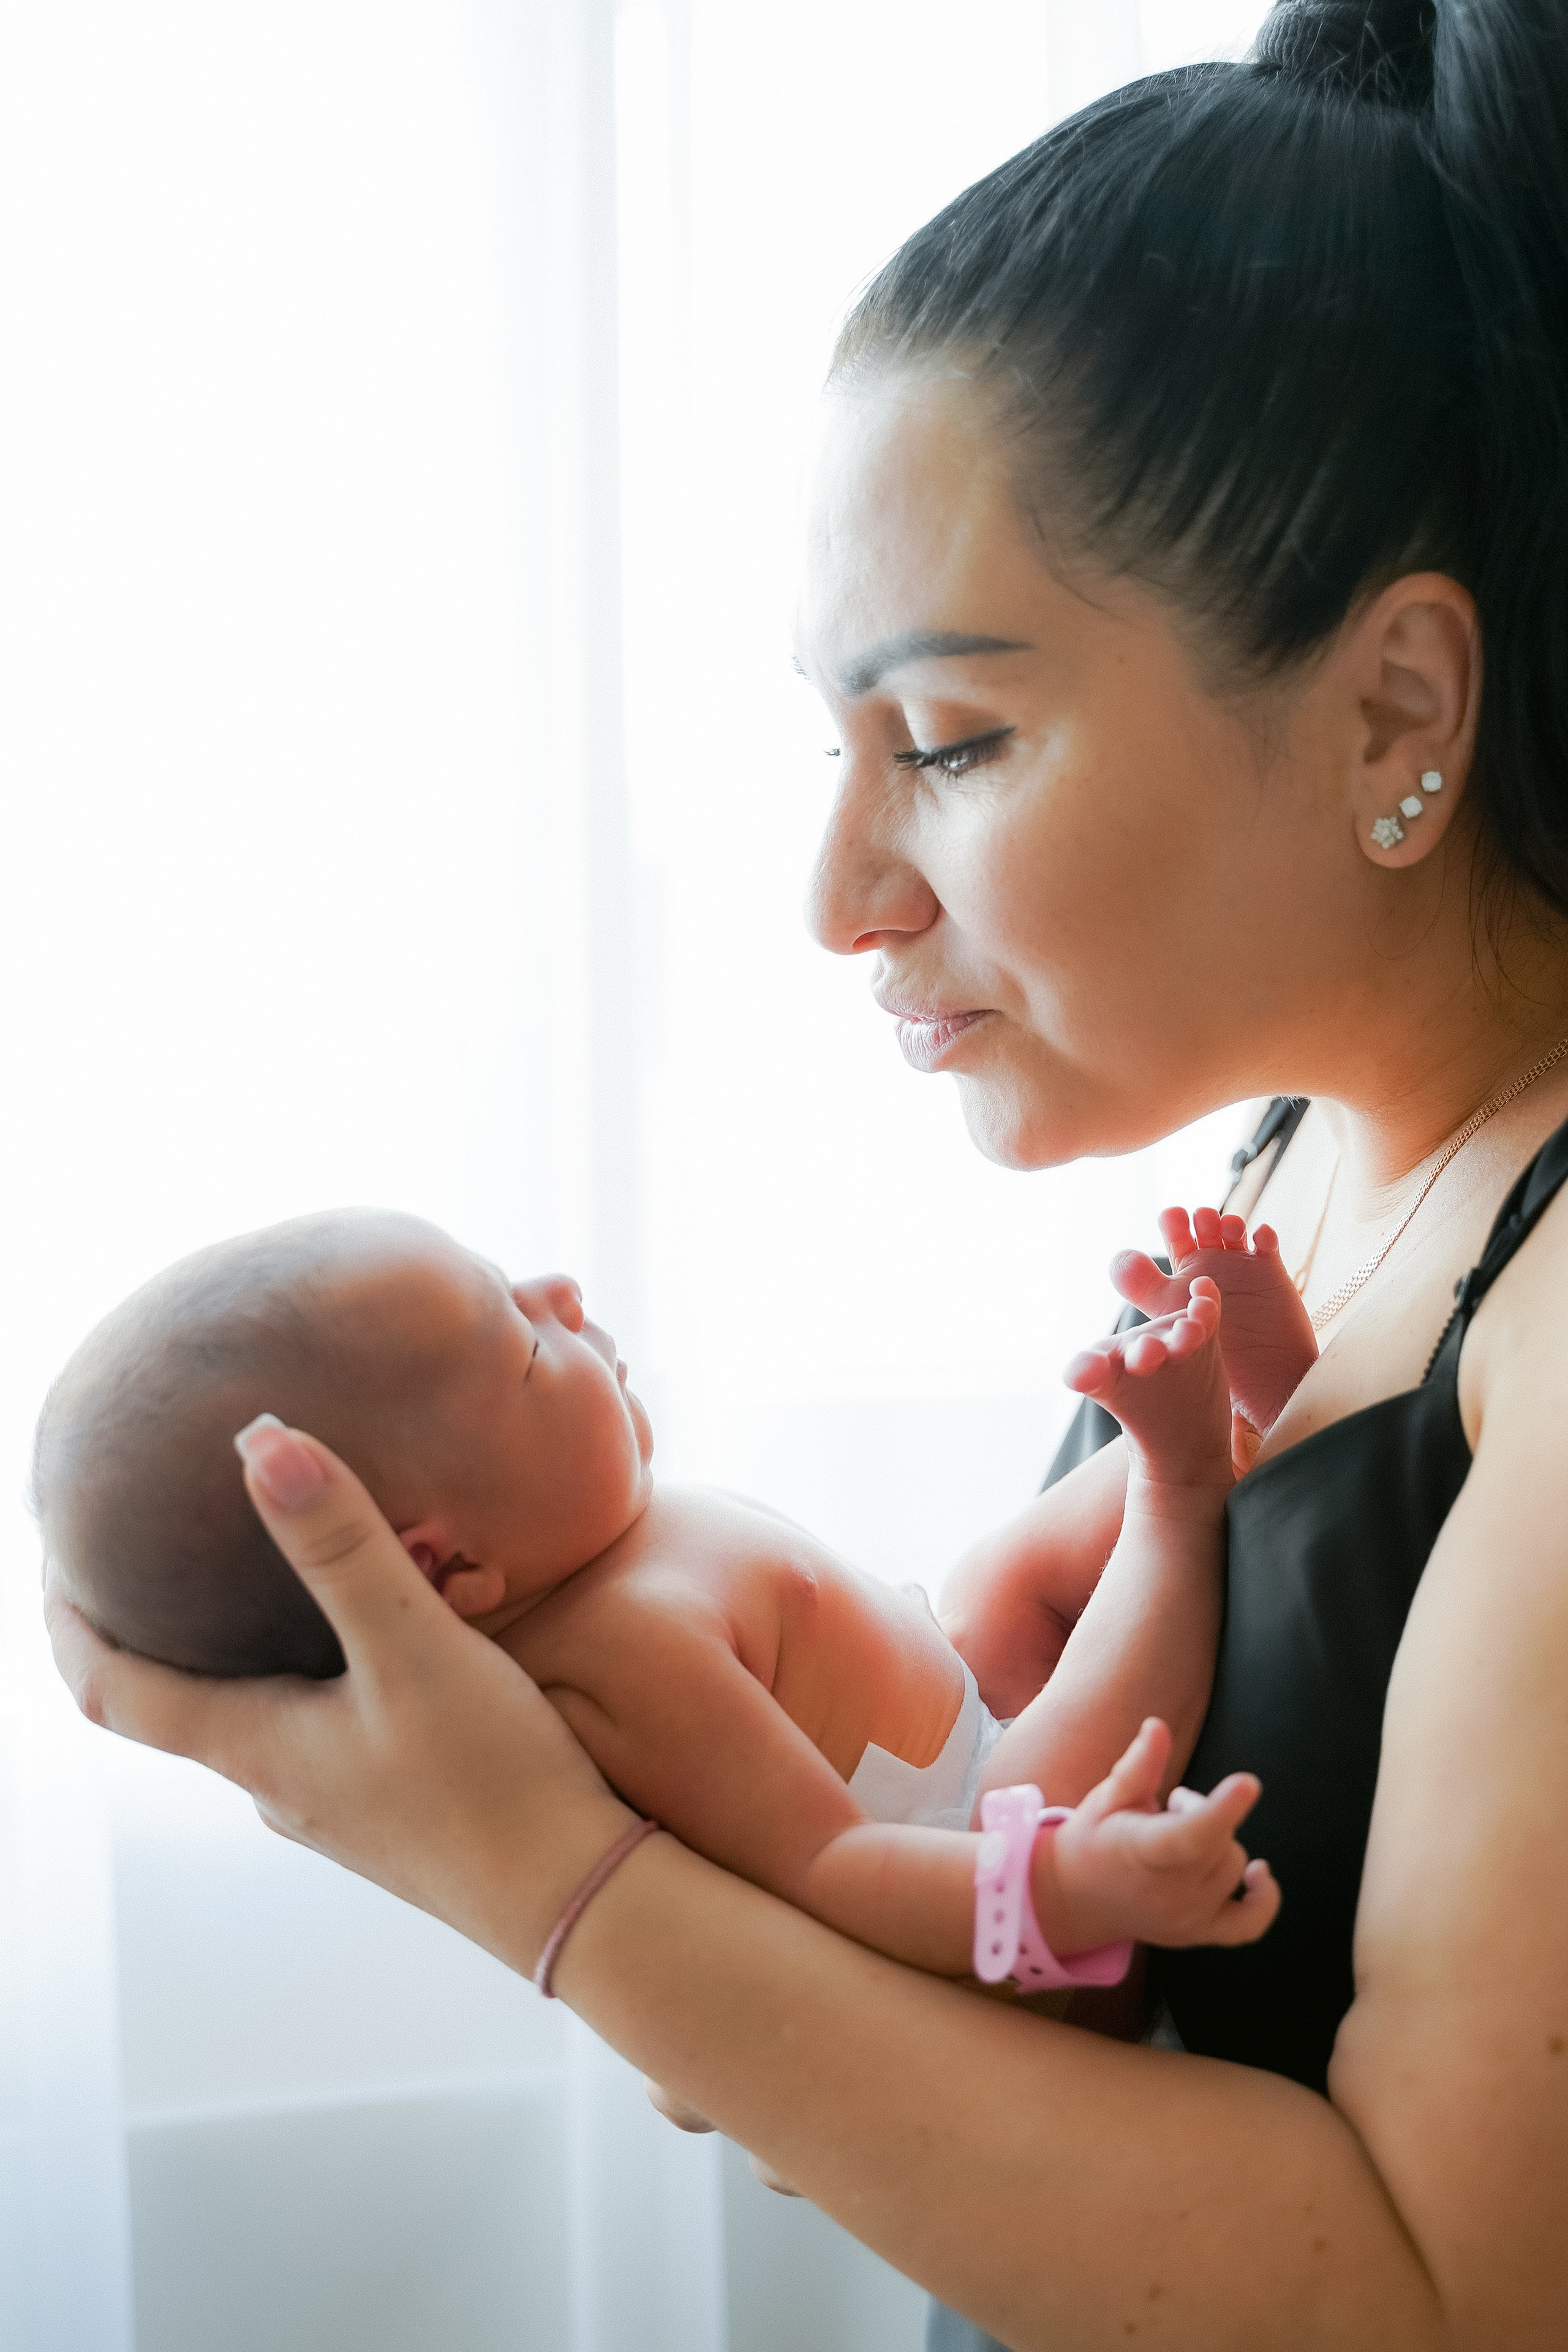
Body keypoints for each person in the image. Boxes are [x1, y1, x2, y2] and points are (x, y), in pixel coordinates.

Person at [45, 1, 1568, 2340]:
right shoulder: (1293, 1166)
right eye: (835, 743)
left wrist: (559, 1890)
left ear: (1394, 713)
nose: (839, 896)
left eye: (949, 740)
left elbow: (1444, 2302)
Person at [34, 1207, 1280, 1985]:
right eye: (525, 1349)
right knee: (1122, 1574)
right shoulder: (621, 1663)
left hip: (963, 1730)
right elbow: (835, 1867)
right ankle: (1186, 1482)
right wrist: (1061, 1886)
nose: (560, 1297)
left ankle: (1251, 1399)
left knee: (992, 1580)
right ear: (445, 1571)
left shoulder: (602, 1556)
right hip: (984, 1885)